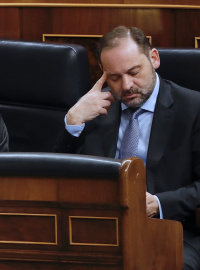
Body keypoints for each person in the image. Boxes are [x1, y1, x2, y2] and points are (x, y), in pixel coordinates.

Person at [55, 26, 200, 269]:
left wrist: (159, 203)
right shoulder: (94, 108)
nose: (126, 85)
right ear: (102, 72)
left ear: (153, 58)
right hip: (98, 229)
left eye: (134, 72)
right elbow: (56, 175)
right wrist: (72, 121)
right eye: (114, 77)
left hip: (172, 230)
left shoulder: (192, 108)